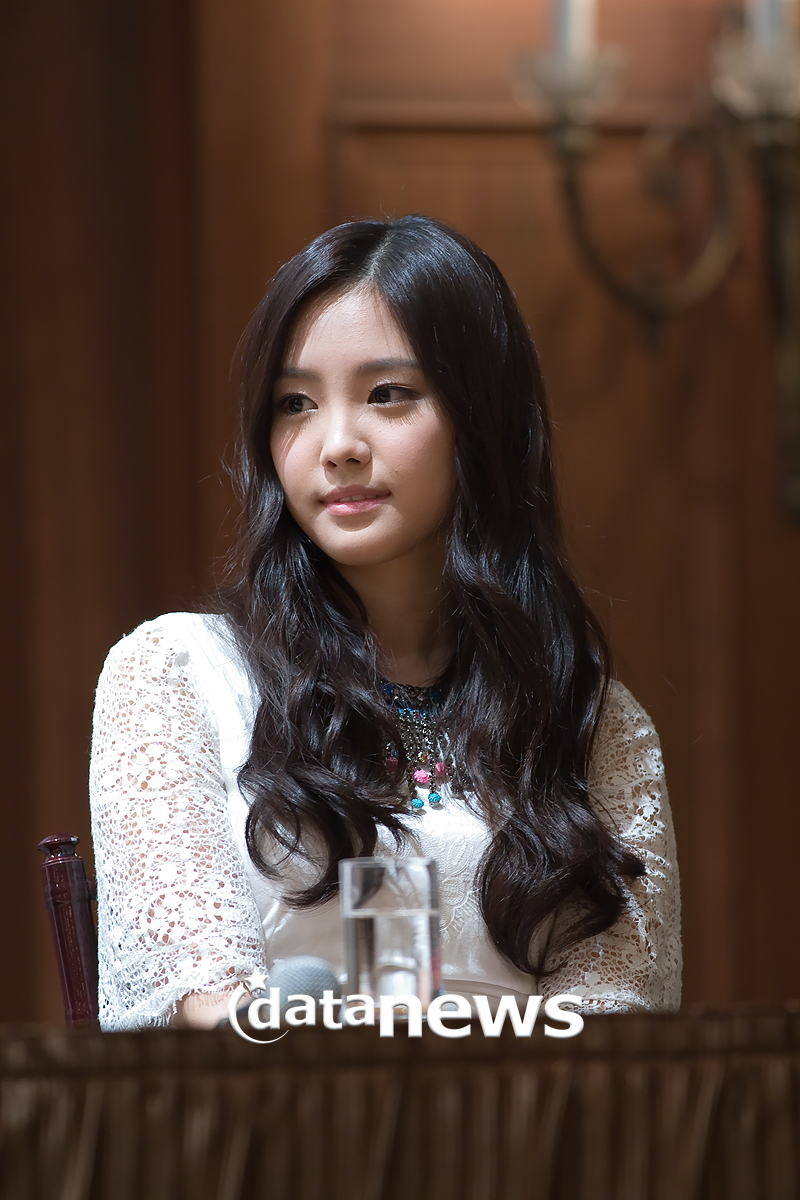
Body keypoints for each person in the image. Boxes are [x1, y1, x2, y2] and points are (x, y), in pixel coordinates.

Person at [89, 215, 681, 1031]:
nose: (336, 445)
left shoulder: (594, 720)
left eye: (388, 394)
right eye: (295, 403)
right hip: (274, 1109)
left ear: (482, 417)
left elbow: (612, 1032)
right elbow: (202, 1005)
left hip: (524, 1117)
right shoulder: (177, 675)